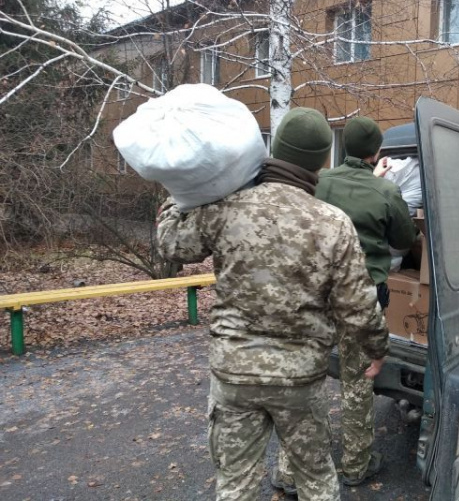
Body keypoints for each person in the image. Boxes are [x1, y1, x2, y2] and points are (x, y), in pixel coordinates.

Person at [156, 107, 390, 501]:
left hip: (234, 374)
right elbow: (358, 304)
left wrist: (179, 193)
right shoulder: (331, 222)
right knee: (316, 480)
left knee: (235, 485)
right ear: (320, 161)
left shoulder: (225, 207)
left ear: (276, 149)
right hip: (299, 378)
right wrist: (377, 349)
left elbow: (171, 244)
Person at [273, 116, 417, 493]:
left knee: (304, 381)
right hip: (362, 296)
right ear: (376, 153)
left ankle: (290, 473)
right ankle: (356, 464)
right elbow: (404, 237)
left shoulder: (318, 182)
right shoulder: (384, 190)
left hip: (312, 295)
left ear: (342, 147)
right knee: (357, 381)